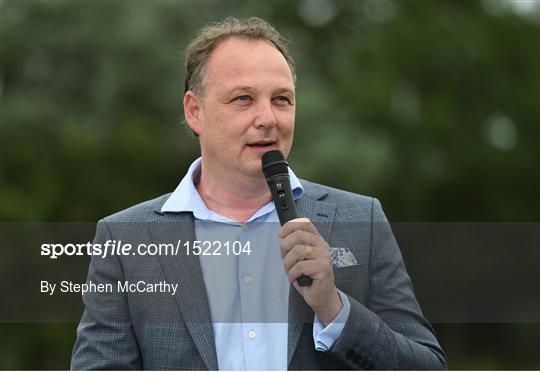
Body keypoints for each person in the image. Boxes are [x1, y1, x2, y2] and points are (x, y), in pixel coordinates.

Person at [71, 17, 447, 370]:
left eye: (281, 99)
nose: (268, 118)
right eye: (243, 99)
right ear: (194, 111)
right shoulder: (125, 239)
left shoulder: (360, 221)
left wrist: (334, 309)